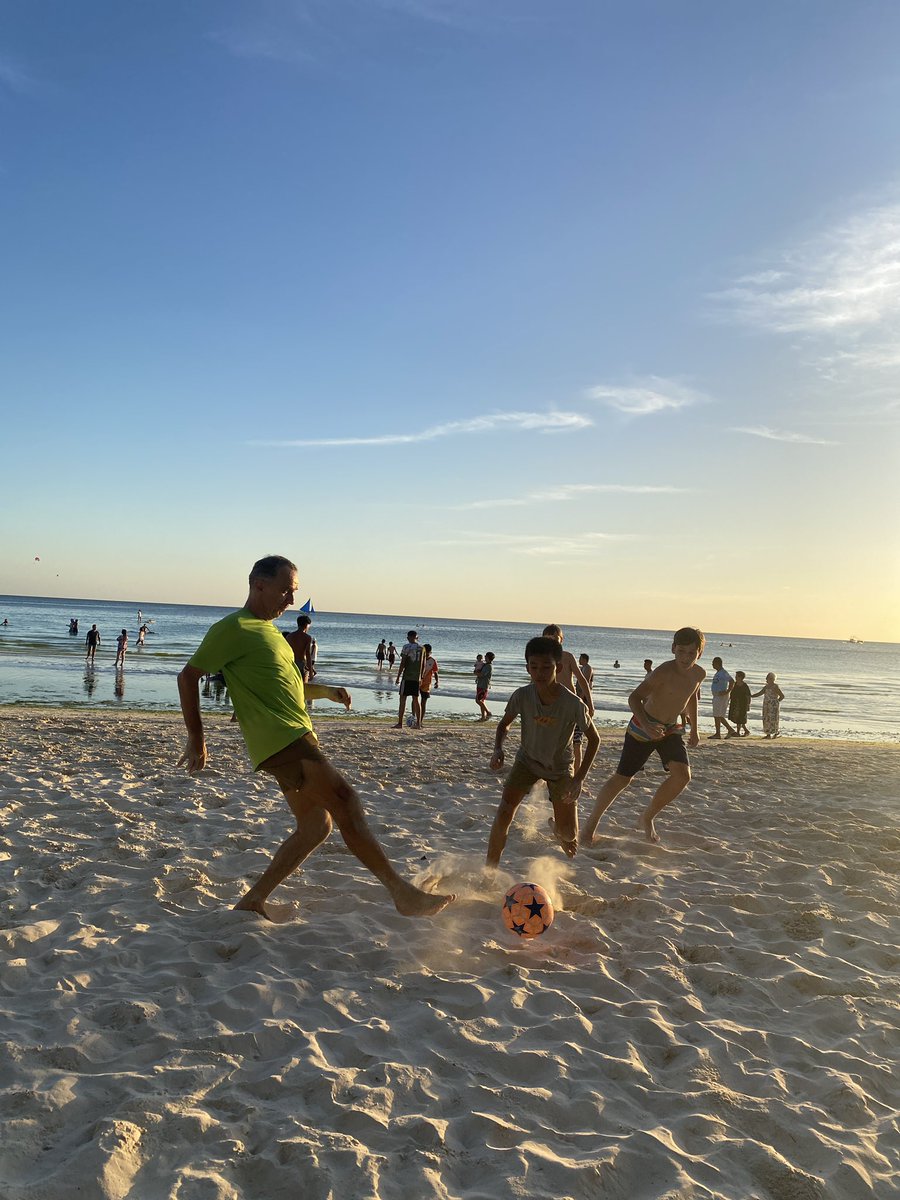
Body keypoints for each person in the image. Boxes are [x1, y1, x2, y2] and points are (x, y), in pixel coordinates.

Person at [176, 555, 455, 921]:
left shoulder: (271, 634)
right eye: (286, 591)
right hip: (282, 740)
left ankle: (253, 901)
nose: (291, 600)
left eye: (294, 592)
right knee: (347, 801)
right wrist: (197, 738)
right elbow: (188, 676)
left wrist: (326, 692)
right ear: (259, 584)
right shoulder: (234, 628)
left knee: (316, 826)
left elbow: (288, 688)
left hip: (292, 737)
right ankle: (402, 894)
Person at [582, 627, 706, 845]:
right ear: (673, 649)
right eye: (681, 651)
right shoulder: (663, 672)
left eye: (691, 653)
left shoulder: (699, 673)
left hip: (670, 729)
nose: (686, 657)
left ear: (700, 652)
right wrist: (647, 725)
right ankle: (589, 827)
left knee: (682, 775)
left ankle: (647, 817)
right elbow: (634, 698)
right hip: (642, 726)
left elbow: (691, 696)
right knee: (622, 778)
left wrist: (694, 728)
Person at [486, 636, 599, 867]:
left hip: (559, 769)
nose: (540, 673)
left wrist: (578, 780)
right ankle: (490, 869)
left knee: (569, 836)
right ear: (527, 667)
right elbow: (503, 724)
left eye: (546, 667)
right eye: (534, 667)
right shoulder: (522, 695)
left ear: (557, 667)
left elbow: (594, 740)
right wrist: (498, 748)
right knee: (504, 812)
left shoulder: (573, 703)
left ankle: (558, 829)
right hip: (526, 762)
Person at [395, 630, 425, 729]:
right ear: (417, 637)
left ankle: (400, 723)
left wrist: (398, 676)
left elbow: (403, 663)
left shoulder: (406, 647)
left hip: (407, 676)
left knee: (402, 699)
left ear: (408, 638)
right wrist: (421, 677)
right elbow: (423, 664)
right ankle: (418, 724)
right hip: (416, 677)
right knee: (416, 699)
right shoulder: (422, 648)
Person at [709, 656, 736, 738]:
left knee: (718, 715)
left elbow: (732, 681)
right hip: (717, 695)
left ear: (717, 664)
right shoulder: (718, 673)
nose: (712, 665)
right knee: (717, 715)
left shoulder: (723, 673)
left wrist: (728, 691)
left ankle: (724, 731)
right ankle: (725, 731)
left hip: (721, 696)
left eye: (713, 663)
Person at [752, 673, 785, 738]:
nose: (766, 679)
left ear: (771, 679)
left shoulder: (775, 686)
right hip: (766, 705)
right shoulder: (766, 686)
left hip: (773, 706)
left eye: (767, 678)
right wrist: (751, 696)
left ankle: (775, 733)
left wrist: (776, 702)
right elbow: (760, 693)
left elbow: (782, 696)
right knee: (766, 719)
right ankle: (768, 734)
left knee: (773, 719)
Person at [284, 614, 315, 681]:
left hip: (291, 663)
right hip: (301, 664)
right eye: (309, 625)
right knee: (303, 686)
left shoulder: (289, 636)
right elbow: (308, 654)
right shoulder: (307, 637)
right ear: (306, 625)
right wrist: (311, 671)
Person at [419, 643, 439, 723]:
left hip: (426, 684)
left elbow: (435, 672)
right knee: (415, 701)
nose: (426, 654)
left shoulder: (432, 661)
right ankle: (414, 717)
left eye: (427, 653)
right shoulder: (419, 659)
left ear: (430, 652)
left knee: (423, 702)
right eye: (424, 652)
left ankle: (420, 720)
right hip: (417, 682)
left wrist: (437, 682)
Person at [728, 670, 752, 736]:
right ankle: (746, 731)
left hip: (742, 704)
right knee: (738, 718)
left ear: (741, 677)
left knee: (740, 718)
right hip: (735, 703)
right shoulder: (735, 684)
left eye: (737, 676)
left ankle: (738, 732)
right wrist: (729, 700)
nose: (735, 677)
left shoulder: (745, 685)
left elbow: (748, 695)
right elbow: (731, 692)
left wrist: (748, 705)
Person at [475, 652, 495, 720]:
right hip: (480, 684)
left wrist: (476, 673)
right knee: (481, 701)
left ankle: (488, 712)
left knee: (478, 700)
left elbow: (482, 675)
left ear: (489, 658)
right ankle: (483, 717)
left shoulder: (489, 666)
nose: (485, 657)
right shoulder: (485, 665)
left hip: (484, 686)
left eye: (486, 656)